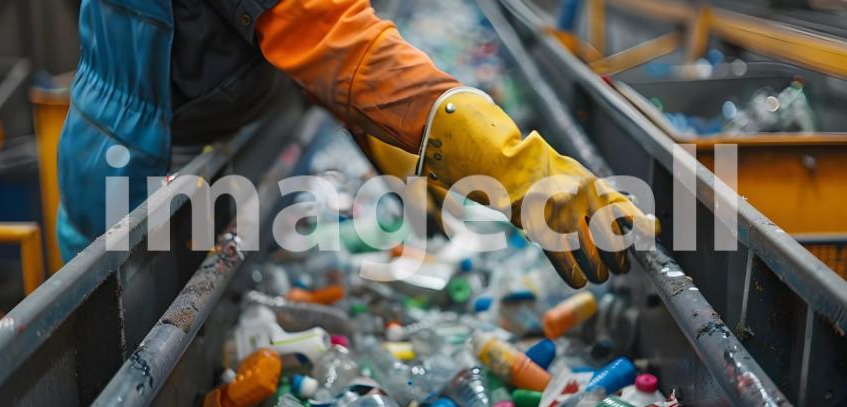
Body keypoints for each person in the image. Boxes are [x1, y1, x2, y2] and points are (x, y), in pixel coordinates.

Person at [56, 0, 654, 288]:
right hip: (145, 161)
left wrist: (390, 141)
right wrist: (514, 164)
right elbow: (332, 40)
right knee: (142, 356)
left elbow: (294, 34)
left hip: (223, 133)